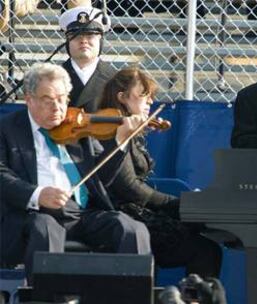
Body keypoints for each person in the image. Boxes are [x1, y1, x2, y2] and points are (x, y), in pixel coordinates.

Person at [0, 62, 151, 282]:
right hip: (33, 215)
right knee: (45, 228)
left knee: (131, 229)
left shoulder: (78, 126)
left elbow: (102, 179)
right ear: (29, 100)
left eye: (62, 99)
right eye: (48, 100)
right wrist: (37, 194)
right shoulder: (7, 129)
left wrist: (119, 143)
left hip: (80, 212)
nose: (57, 107)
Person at [97, 67, 222, 278]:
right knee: (204, 250)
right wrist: (174, 204)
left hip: (136, 210)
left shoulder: (131, 133)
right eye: (143, 96)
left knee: (205, 240)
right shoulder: (111, 134)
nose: (149, 102)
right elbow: (128, 187)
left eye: (151, 97)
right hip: (120, 215)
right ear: (122, 98)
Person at [59, 6, 116, 112]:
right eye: (77, 36)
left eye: (90, 36)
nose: (84, 41)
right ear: (67, 41)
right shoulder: (53, 77)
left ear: (100, 40)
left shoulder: (115, 79)